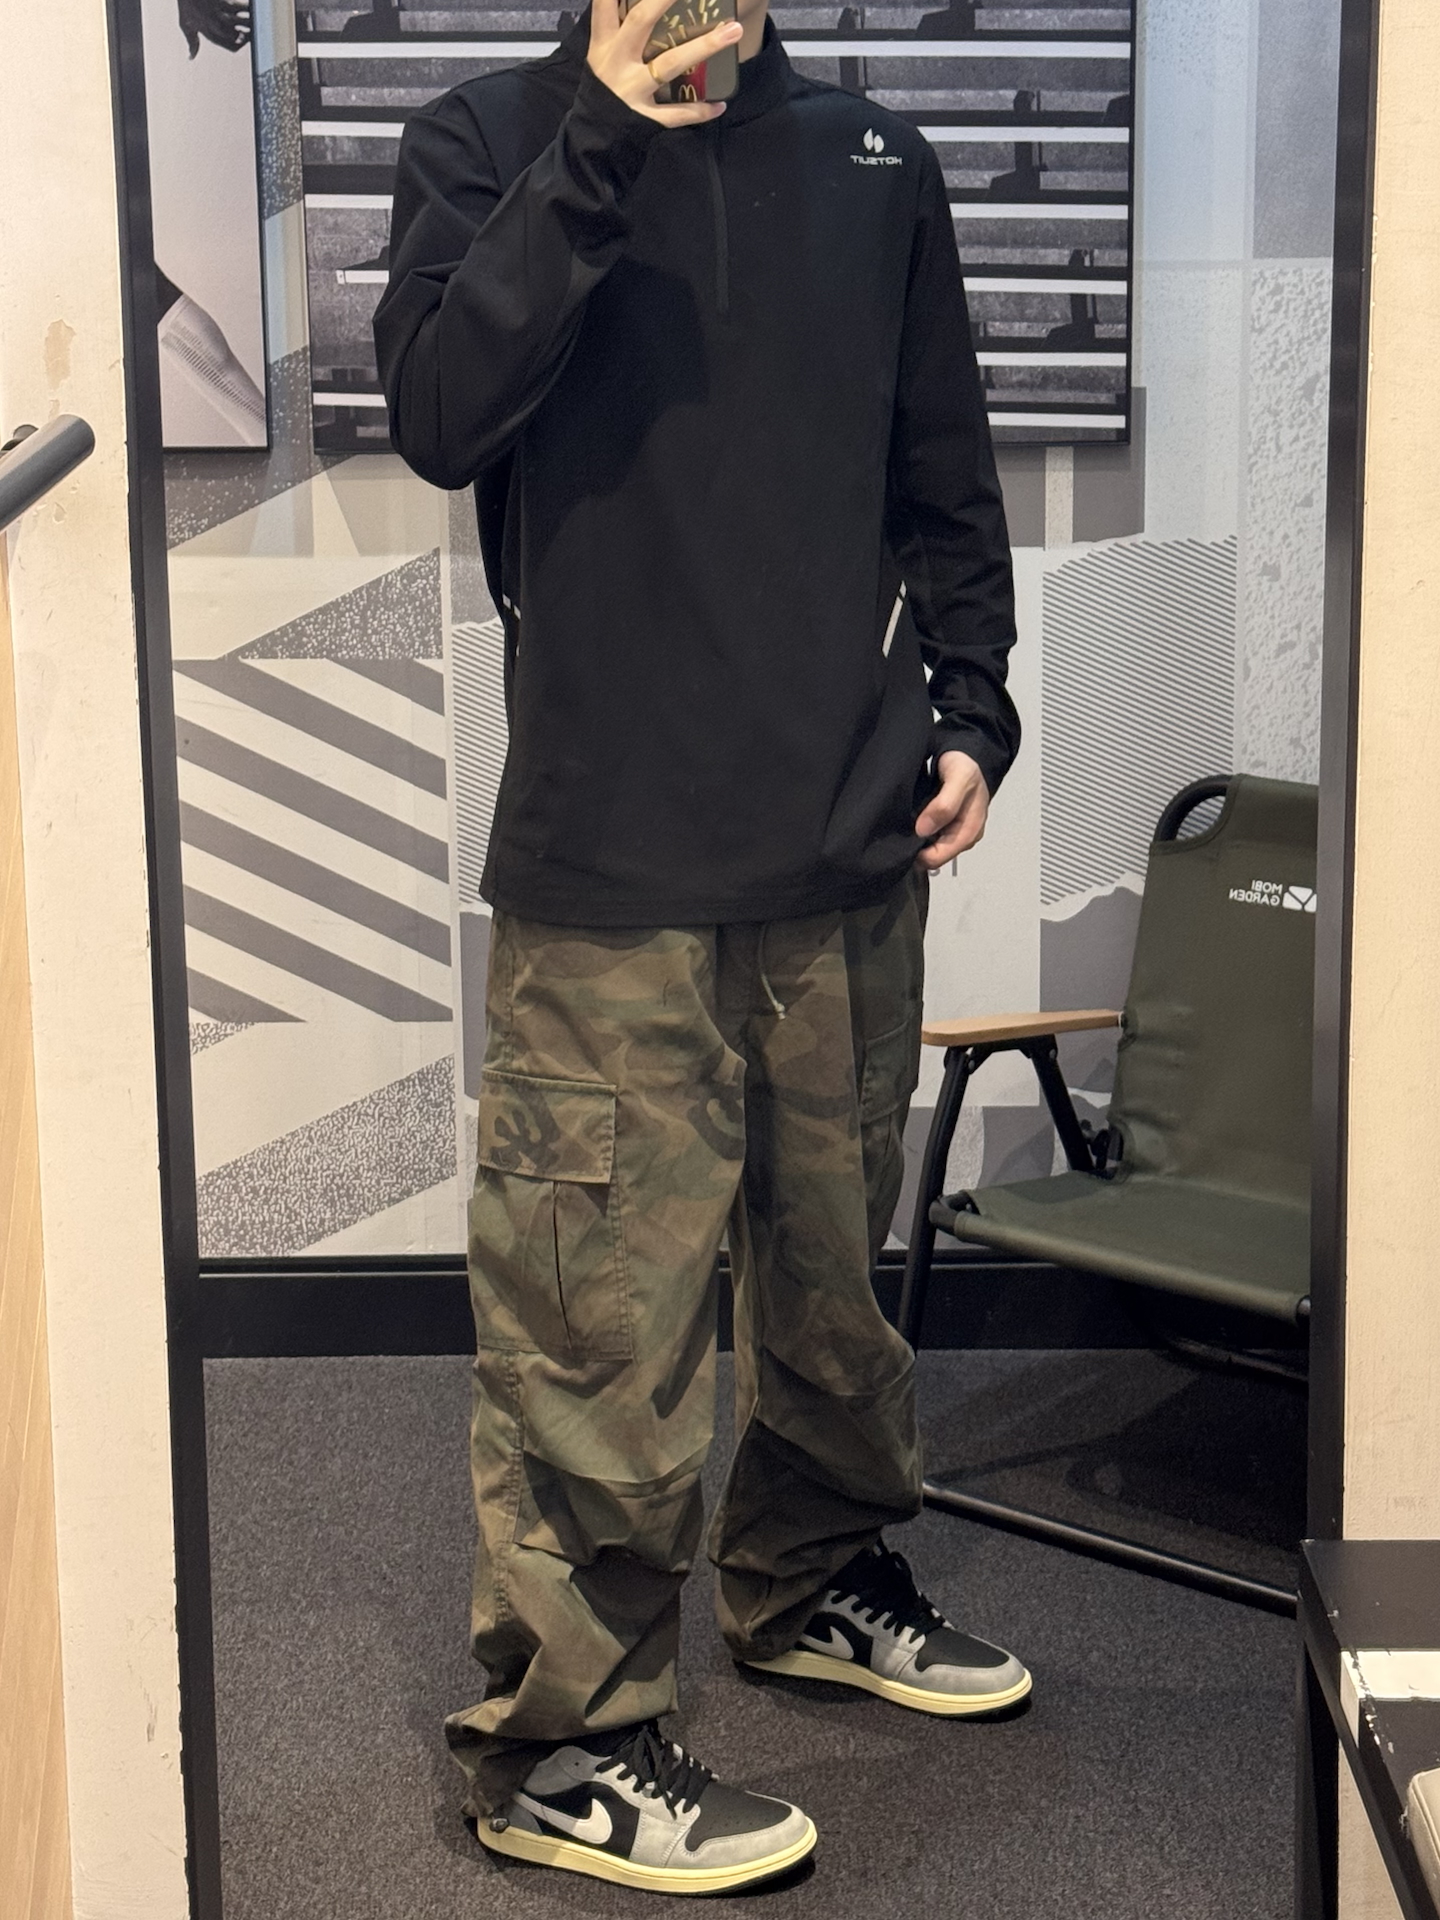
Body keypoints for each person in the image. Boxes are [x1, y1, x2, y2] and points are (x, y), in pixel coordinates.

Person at [375, 0, 1025, 1893]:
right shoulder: (487, 143)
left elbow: (942, 461)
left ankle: (810, 1580)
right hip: (612, 870)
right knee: (599, 1325)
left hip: (847, 844)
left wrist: (974, 703)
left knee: (831, 1287)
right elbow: (441, 416)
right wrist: (602, 135)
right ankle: (563, 1749)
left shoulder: (875, 165)